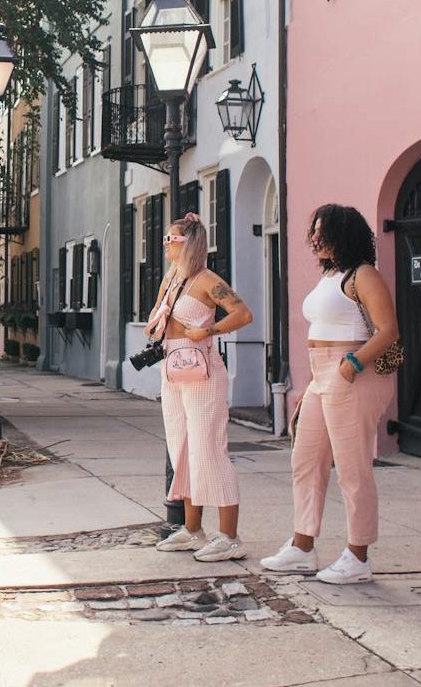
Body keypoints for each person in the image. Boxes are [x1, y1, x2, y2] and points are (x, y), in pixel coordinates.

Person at [260, 204, 401, 585]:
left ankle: (358, 555)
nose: (315, 239)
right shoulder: (330, 276)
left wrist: (350, 365)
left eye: (323, 232)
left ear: (345, 235)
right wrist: (313, 382)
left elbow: (388, 330)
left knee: (352, 468)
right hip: (322, 375)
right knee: (305, 460)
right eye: (314, 232)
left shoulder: (363, 275)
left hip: (352, 373)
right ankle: (302, 546)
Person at [146, 212, 254, 562]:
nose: (165, 244)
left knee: (208, 448)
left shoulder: (208, 281)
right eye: (165, 238)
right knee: (182, 448)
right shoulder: (171, 279)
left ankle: (230, 536)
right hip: (173, 366)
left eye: (171, 239)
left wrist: (208, 331)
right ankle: (193, 530)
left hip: (202, 368)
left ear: (188, 243)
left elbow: (243, 314)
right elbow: (157, 317)